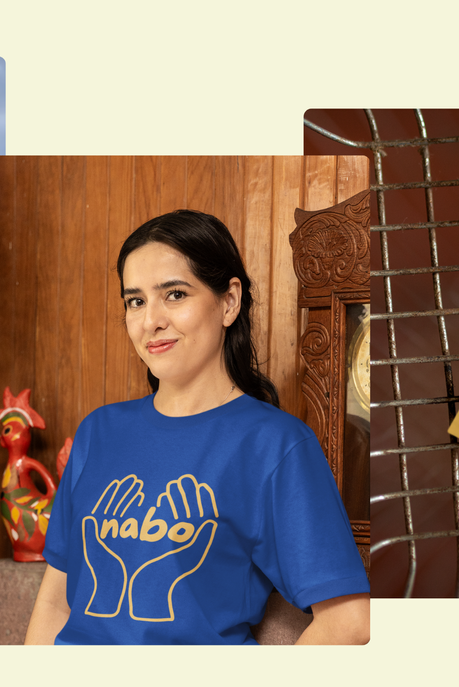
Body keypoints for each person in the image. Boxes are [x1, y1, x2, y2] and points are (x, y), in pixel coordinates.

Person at [26, 210, 370, 645]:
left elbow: (350, 621)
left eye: (174, 294)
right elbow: (55, 603)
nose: (151, 320)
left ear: (229, 302)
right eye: (135, 301)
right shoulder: (99, 431)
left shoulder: (275, 445)